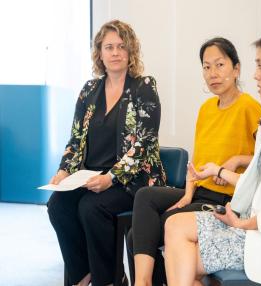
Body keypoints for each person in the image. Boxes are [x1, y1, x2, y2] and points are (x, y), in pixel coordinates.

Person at [163, 29, 261, 286]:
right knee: (174, 226)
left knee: (180, 263)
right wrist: (217, 171)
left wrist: (243, 223)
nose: (255, 75)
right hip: (249, 227)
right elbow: (255, 181)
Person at [128, 37, 261, 286]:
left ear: (236, 69)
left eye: (220, 65)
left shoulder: (250, 108)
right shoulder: (206, 109)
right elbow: (197, 164)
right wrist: (188, 194)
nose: (213, 73)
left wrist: (237, 160)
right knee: (145, 198)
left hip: (227, 201)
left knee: (139, 235)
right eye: (206, 66)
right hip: (201, 193)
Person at [47, 20, 166, 286]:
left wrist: (110, 178)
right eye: (108, 47)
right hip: (90, 176)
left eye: (121, 47)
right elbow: (76, 139)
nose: (115, 52)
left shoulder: (144, 86)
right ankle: (82, 273)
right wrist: (64, 170)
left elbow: (145, 142)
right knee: (57, 205)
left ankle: (109, 279)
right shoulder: (89, 90)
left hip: (131, 181)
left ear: (130, 51)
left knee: (91, 207)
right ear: (99, 53)